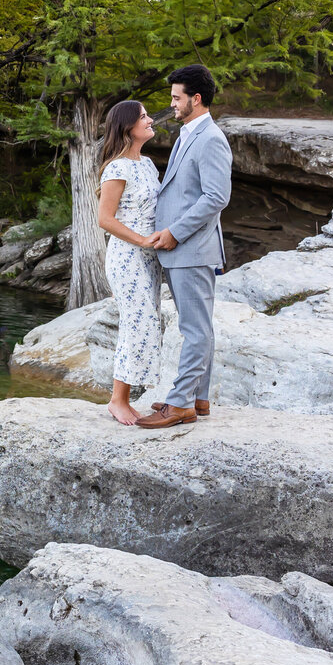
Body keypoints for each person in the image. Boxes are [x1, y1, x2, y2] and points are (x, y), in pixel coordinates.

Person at [135, 64, 233, 431]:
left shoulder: (210, 138)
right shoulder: (188, 134)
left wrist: (174, 232)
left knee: (196, 329)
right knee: (196, 326)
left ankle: (179, 404)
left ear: (196, 98)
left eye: (176, 98)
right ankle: (197, 398)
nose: (171, 104)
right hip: (180, 251)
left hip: (191, 248)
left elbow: (215, 197)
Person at [96, 99, 163, 425]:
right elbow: (104, 219)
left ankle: (128, 397)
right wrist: (141, 240)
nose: (150, 120)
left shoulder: (148, 164)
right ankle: (117, 400)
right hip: (127, 258)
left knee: (147, 323)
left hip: (150, 260)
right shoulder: (117, 167)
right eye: (143, 117)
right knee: (137, 324)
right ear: (128, 127)